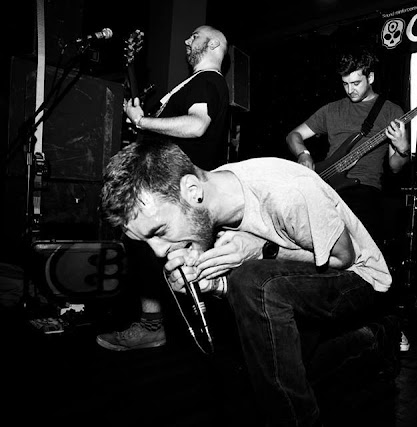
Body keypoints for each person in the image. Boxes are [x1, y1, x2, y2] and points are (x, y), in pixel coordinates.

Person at [100, 141, 397, 427]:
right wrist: (212, 284)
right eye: (146, 241)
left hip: (361, 278)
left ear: (192, 190)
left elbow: (344, 257)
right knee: (273, 369)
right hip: (292, 285)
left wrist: (264, 250)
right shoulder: (211, 197)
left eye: (160, 231)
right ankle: (370, 338)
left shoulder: (287, 193)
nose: (159, 251)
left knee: (253, 282)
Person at [96, 25, 230, 351]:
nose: (186, 40)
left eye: (195, 35)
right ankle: (159, 326)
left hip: (177, 192)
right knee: (156, 255)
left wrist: (141, 121)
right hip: (171, 186)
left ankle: (154, 327)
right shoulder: (196, 84)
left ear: (214, 43)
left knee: (155, 252)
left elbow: (197, 125)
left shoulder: (207, 81)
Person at [285, 47, 411, 247]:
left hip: (364, 190)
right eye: (345, 84)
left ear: (370, 78)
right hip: (326, 185)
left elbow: (395, 167)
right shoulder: (331, 110)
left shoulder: (390, 110)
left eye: (356, 83)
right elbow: (294, 135)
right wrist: (303, 153)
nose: (350, 90)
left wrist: (402, 149)